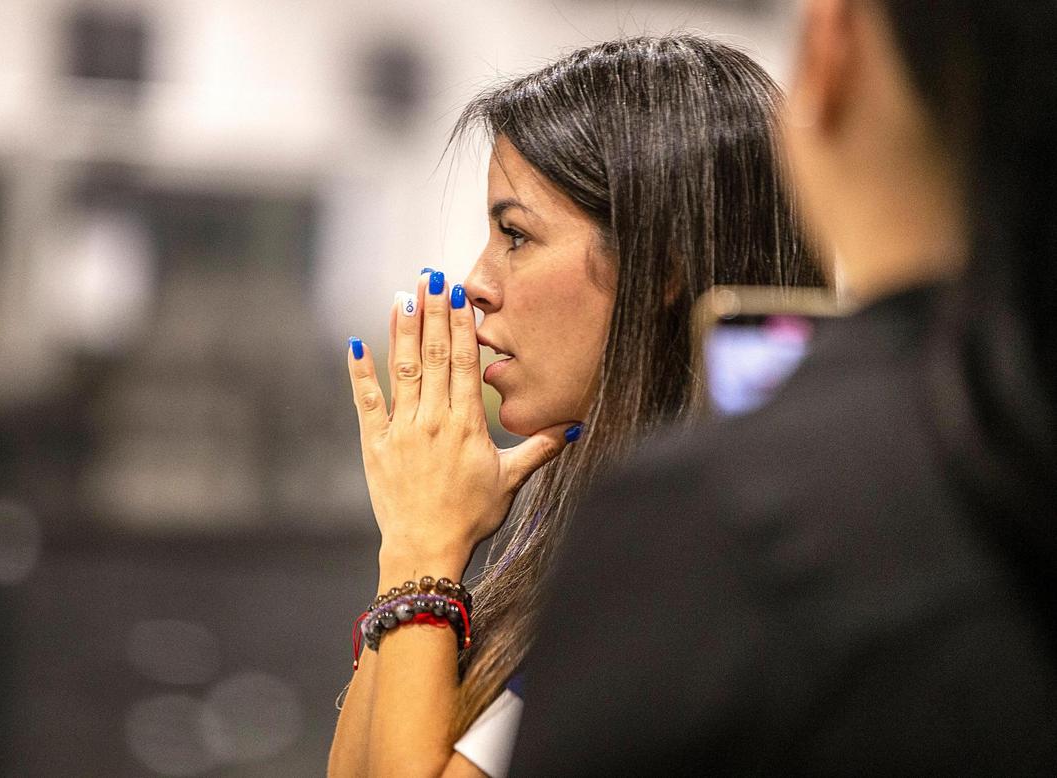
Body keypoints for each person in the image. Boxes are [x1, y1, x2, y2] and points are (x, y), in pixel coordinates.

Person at [510, 1, 1057, 774]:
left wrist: (421, 568)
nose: (474, 289)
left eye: (515, 236)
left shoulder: (706, 519)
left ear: (832, 49)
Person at [328, 36, 825, 778]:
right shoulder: (617, 523)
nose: (475, 283)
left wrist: (424, 552)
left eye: (516, 235)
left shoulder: (700, 549)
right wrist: (408, 547)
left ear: (659, 266)